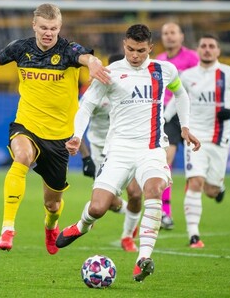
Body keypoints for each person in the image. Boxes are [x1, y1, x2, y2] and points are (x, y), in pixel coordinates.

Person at [0, 3, 110, 255]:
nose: (49, 33)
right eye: (44, 28)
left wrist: (92, 64)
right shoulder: (21, 48)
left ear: (60, 27)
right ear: (34, 25)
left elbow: (87, 57)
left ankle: (50, 226)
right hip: (27, 125)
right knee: (22, 157)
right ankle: (7, 228)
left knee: (53, 202)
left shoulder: (67, 50)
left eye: (54, 28)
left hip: (59, 136)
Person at [55, 24, 201, 282]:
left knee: (153, 191)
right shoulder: (109, 73)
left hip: (152, 149)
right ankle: (81, 226)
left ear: (150, 48)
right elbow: (86, 106)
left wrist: (186, 126)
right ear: (124, 45)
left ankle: (143, 257)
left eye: (141, 51)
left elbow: (181, 94)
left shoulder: (164, 70)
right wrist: (77, 135)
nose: (135, 55)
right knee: (99, 208)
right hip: (119, 150)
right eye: (131, 49)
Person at [168, 33, 230, 248]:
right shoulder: (186, 75)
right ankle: (193, 235)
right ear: (197, 50)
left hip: (219, 138)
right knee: (195, 182)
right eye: (203, 45)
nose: (207, 49)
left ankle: (219, 187)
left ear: (218, 51)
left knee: (210, 189)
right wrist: (163, 119)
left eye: (211, 46)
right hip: (194, 137)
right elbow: (177, 100)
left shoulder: (229, 73)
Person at [79, 53, 142, 253]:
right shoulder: (98, 90)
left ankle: (127, 238)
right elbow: (77, 122)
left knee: (135, 193)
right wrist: (86, 157)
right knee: (109, 202)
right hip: (101, 152)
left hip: (127, 146)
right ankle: (118, 212)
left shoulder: (137, 90)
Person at [155, 21, 200, 230]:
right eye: (165, 33)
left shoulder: (192, 58)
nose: (169, 36)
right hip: (168, 118)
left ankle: (215, 187)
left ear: (181, 36)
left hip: (193, 115)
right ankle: (165, 212)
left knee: (200, 171)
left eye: (173, 32)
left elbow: (198, 86)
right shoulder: (160, 61)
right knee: (166, 160)